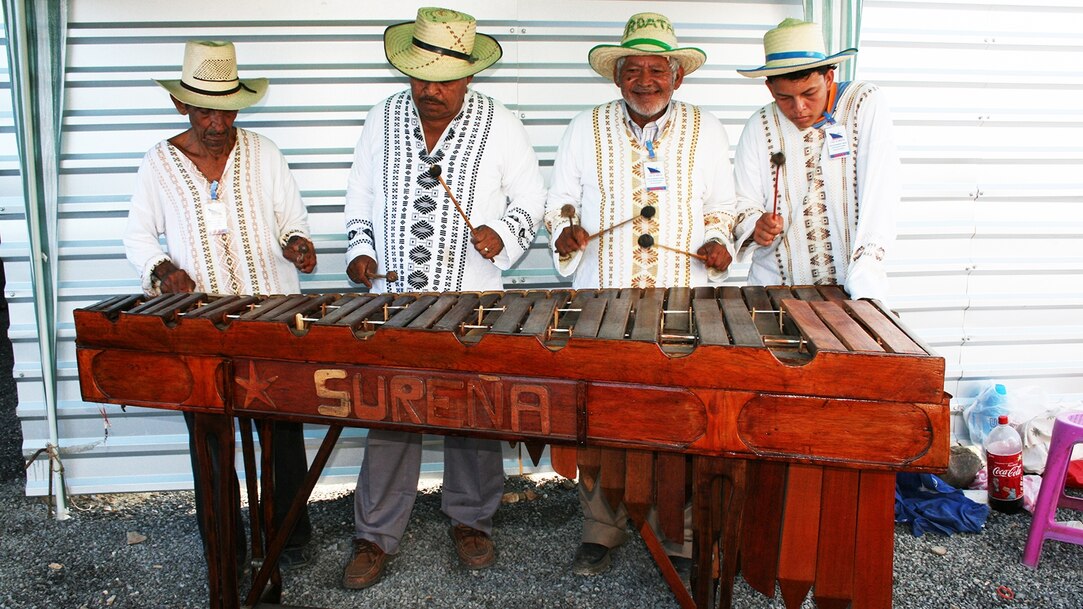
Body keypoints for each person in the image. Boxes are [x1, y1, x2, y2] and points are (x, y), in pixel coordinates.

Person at [341, 7, 546, 590]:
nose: (431, 89)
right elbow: (359, 195)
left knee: (474, 411)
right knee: (389, 412)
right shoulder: (382, 119)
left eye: (444, 78)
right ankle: (374, 533)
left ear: (469, 77)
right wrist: (360, 250)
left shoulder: (502, 124)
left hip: (470, 296)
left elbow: (531, 201)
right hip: (396, 295)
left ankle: (471, 517)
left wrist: (501, 234)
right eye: (421, 76)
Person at [543, 12, 736, 576]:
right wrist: (565, 230)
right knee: (601, 414)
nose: (645, 80)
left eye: (658, 69)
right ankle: (602, 527)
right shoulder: (585, 127)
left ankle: (679, 534)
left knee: (679, 415)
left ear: (678, 76)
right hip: (603, 298)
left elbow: (721, 205)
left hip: (683, 298)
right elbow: (560, 199)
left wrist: (720, 239)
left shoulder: (708, 128)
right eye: (633, 70)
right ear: (616, 76)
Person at [123, 40, 317, 570]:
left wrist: (297, 243)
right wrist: (163, 271)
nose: (216, 121)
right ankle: (224, 545)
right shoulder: (158, 164)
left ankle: (289, 536)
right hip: (199, 327)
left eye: (226, 108)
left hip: (270, 318)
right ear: (181, 105)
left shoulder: (264, 153)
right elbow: (138, 239)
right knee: (210, 439)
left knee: (281, 433)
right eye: (204, 108)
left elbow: (291, 220)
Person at [730, 18, 900, 302]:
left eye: (809, 93)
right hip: (776, 291)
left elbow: (880, 195)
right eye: (785, 98)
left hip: (852, 291)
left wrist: (865, 289)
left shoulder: (864, 103)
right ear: (770, 89)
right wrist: (755, 225)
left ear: (829, 78)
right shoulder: (759, 125)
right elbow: (742, 203)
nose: (799, 108)